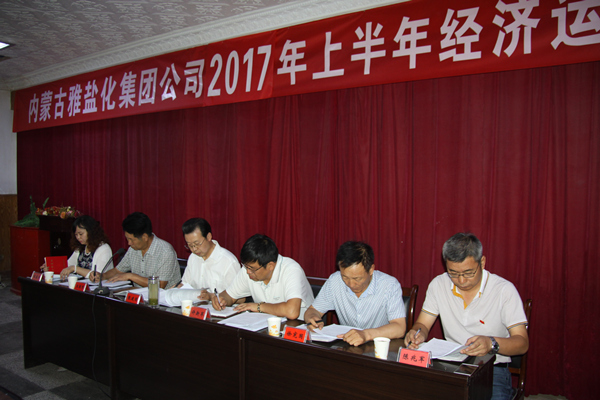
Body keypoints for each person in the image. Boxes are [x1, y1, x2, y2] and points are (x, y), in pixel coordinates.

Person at [404, 232, 529, 400]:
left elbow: (522, 343)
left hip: (492, 369)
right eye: (453, 273)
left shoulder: (504, 290)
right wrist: (417, 333)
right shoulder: (439, 284)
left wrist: (491, 343)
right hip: (451, 364)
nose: (461, 280)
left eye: (469, 273)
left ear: (482, 262)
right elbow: (423, 324)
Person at [304, 241, 407, 346]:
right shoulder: (335, 281)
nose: (351, 284)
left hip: (378, 347)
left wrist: (366, 335)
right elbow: (313, 310)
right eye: (345, 277)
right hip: (347, 347)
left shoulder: (389, 285)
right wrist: (312, 318)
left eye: (357, 279)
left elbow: (399, 327)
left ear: (371, 269)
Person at [211, 234, 314, 320]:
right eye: (246, 266)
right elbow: (229, 296)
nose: (247, 272)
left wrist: (258, 307)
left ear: (270, 266)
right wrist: (222, 300)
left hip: (297, 328)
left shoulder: (291, 270)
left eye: (252, 269)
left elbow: (292, 312)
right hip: (264, 326)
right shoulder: (248, 269)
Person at [98, 212, 180, 289]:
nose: (129, 243)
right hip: (139, 296)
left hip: (162, 297)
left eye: (131, 239)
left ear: (145, 237)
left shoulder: (165, 251)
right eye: (127, 239)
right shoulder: (133, 249)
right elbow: (118, 270)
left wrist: (131, 276)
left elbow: (160, 285)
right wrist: (102, 276)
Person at [175, 218, 240, 299]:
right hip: (195, 305)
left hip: (220, 306)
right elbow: (185, 283)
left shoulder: (228, 261)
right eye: (190, 245)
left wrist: (211, 297)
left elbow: (239, 297)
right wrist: (179, 288)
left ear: (208, 237)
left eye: (197, 244)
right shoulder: (193, 257)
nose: (194, 249)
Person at [41, 215, 112, 281]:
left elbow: (98, 275)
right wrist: (51, 267)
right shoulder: (81, 247)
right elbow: (68, 266)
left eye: (81, 234)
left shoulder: (103, 248)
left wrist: (75, 268)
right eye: (76, 235)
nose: (78, 237)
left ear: (91, 232)